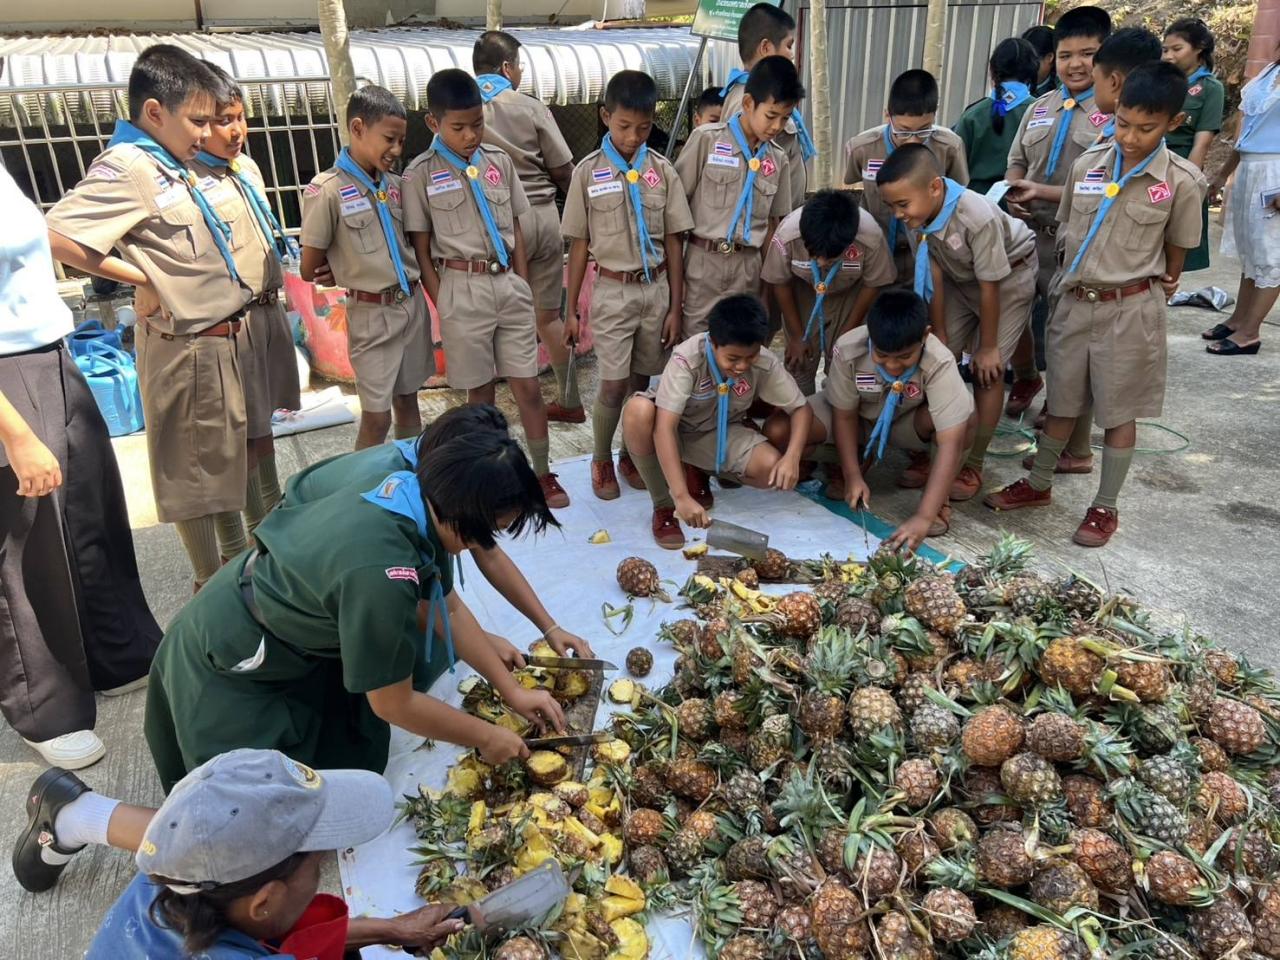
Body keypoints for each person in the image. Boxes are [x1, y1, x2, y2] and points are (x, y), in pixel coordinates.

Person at [142, 431, 568, 792]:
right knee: (256, 807)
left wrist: (511, 691)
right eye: (489, 530)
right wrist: (485, 736)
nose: (483, 545)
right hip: (228, 653)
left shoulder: (414, 498)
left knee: (349, 758)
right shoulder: (382, 571)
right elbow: (393, 704)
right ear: (467, 513)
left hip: (291, 619)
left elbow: (447, 608)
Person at [45, 45, 251, 591]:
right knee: (191, 482)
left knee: (218, 478)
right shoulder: (131, 166)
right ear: (155, 112)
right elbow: (59, 235)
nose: (207, 133)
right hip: (184, 349)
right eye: (198, 120)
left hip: (213, 342)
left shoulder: (170, 163)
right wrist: (144, 278)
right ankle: (213, 594)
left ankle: (233, 583)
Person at [985, 62, 1205, 547]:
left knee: (1118, 413)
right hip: (1075, 302)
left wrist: (1159, 285)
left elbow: (1176, 256)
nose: (1130, 136)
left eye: (1146, 128)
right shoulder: (1089, 165)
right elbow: (1067, 229)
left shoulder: (1182, 182)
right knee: (1061, 401)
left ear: (1172, 123)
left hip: (1130, 309)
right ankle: (1038, 484)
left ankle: (1104, 507)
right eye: (1124, 123)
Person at [0, 147, 160, 771]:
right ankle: (44, 704)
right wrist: (14, 436)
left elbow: (41, 239)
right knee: (24, 546)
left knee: (91, 513)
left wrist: (141, 275)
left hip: (48, 348)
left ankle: (114, 652)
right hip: (7, 377)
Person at [15, 750, 465, 958]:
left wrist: (393, 929)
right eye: (319, 861)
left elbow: (271, 931)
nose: (325, 865)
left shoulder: (171, 875)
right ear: (264, 901)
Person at [285, 403, 595, 663]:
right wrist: (480, 640)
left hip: (345, 568)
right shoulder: (390, 494)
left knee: (446, 647)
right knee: (409, 661)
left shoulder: (439, 482)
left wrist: (550, 627)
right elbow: (402, 592)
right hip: (296, 568)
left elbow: (487, 553)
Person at [402, 69, 568, 507]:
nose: (471, 134)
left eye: (477, 123)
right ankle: (486, 481)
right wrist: (445, 301)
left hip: (508, 285)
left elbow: (515, 226)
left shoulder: (499, 162)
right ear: (433, 124)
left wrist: (521, 285)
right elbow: (421, 249)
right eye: (459, 127)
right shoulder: (419, 175)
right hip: (461, 288)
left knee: (529, 386)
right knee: (479, 395)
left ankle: (542, 472)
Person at [561, 71, 694, 501]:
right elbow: (579, 247)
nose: (634, 136)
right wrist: (571, 309)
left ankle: (628, 454)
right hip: (613, 292)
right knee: (613, 383)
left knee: (641, 382)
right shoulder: (587, 174)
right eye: (623, 126)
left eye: (643, 127)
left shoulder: (663, 171)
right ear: (605, 116)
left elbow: (674, 241)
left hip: (654, 292)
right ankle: (600, 458)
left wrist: (675, 305)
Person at [877, 144, 1037, 501]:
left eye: (902, 205)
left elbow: (990, 283)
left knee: (987, 371)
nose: (897, 213)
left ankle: (973, 462)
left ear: (935, 187)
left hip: (1007, 278)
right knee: (937, 356)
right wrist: (943, 332)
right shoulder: (915, 212)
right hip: (957, 276)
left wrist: (989, 346)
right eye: (892, 206)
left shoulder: (976, 217)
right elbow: (931, 261)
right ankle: (932, 451)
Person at [765, 290, 974, 550]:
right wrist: (851, 476)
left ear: (925, 336)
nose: (893, 366)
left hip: (906, 425)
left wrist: (923, 517)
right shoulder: (849, 348)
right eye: (882, 356)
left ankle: (937, 501)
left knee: (965, 419)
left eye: (904, 357)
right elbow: (844, 416)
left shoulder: (939, 360)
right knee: (779, 429)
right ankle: (856, 459)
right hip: (859, 422)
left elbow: (950, 440)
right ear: (870, 338)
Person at [193, 62, 303, 552]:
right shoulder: (186, 178)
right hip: (224, 325)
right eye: (222, 120)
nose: (236, 130)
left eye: (240, 116)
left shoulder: (247, 167)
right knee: (231, 441)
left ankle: (272, 522)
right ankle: (238, 545)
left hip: (265, 313)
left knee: (262, 429)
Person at [621, 294, 811, 549]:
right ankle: (663, 506)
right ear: (713, 342)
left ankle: (698, 468)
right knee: (638, 411)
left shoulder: (763, 361)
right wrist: (681, 496)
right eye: (733, 358)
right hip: (676, 433)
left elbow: (801, 409)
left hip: (718, 432)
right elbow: (665, 428)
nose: (742, 366)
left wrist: (792, 457)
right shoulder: (687, 358)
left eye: (750, 357)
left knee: (771, 470)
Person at [299, 85, 430, 451]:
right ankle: (362, 489)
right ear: (357, 129)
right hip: (372, 315)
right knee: (376, 415)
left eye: (401, 141)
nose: (397, 150)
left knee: (408, 401)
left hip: (410, 306)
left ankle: (410, 477)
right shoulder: (326, 190)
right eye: (389, 139)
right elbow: (311, 266)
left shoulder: (395, 186)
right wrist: (339, 267)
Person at [1003, 6, 1112, 422]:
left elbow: (1105, 188)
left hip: (1074, 238)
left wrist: (1041, 191)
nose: (1076, 64)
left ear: (1104, 56)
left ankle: (1060, 401)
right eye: (1066, 55)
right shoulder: (1040, 107)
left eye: (1087, 53)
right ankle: (1027, 377)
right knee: (1014, 311)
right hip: (1026, 232)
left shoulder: (1115, 117)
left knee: (1064, 328)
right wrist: (1015, 185)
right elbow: (1016, 159)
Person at [472, 30, 582, 423]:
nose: (519, 73)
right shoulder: (530, 107)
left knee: (494, 323)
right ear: (506, 67)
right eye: (518, 65)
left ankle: (493, 416)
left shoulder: (462, 113)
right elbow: (564, 170)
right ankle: (569, 401)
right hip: (542, 216)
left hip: (493, 227)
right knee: (547, 317)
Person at [674, 56, 797, 338]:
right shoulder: (706, 140)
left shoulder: (778, 159)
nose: (777, 126)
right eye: (771, 115)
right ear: (748, 104)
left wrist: (766, 293)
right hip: (703, 264)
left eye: (785, 118)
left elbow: (772, 229)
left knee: (742, 348)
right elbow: (675, 214)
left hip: (748, 269)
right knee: (695, 346)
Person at [763, 189, 895, 395]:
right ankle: (801, 410)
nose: (821, 262)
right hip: (804, 292)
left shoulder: (870, 236)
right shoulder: (787, 234)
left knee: (848, 357)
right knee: (799, 363)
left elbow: (873, 284)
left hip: (851, 295)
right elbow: (780, 282)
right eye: (814, 254)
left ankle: (838, 409)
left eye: (831, 257)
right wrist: (798, 335)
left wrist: (847, 333)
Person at [842, 69, 970, 281]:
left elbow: (958, 198)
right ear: (887, 115)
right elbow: (852, 180)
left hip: (930, 255)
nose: (912, 140)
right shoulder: (863, 148)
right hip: (876, 252)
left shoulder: (949, 147)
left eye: (923, 131)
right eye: (903, 131)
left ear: (934, 115)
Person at [1204, 48, 1280, 355]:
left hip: (1275, 170)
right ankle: (1239, 320)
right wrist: (1224, 174)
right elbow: (1249, 130)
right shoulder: (1270, 71)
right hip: (1250, 165)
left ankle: (1250, 332)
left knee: (1270, 253)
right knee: (1250, 250)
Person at [719, 3, 817, 211]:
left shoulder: (756, 96)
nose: (791, 54)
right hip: (764, 221)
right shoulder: (746, 101)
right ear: (766, 48)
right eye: (789, 45)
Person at [1162, 18, 1225, 274]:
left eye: (1177, 49)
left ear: (1198, 49)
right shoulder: (1160, 80)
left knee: (1173, 250)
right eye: (1165, 49)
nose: (1168, 56)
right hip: (1148, 163)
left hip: (1180, 168)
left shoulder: (1210, 89)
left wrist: (1187, 185)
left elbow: (1202, 143)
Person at [952, 38, 1041, 196]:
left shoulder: (972, 115)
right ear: (1033, 71)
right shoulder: (1042, 113)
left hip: (977, 206)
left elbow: (954, 167)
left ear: (992, 71)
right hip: (1024, 202)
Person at [1023, 24, 1058, 97]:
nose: (1024, 65)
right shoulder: (1012, 82)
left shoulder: (1061, 92)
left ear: (1049, 57)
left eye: (1030, 60)